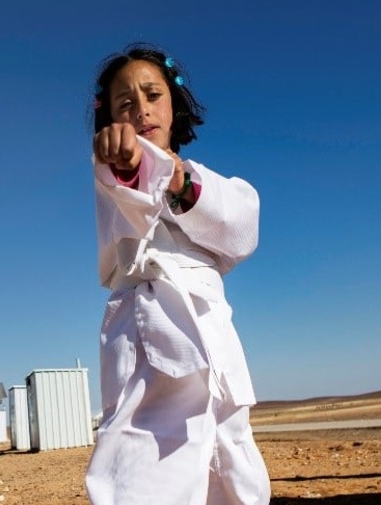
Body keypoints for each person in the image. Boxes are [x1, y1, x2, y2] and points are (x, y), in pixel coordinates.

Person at [85, 43, 271, 505]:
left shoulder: (213, 184)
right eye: (124, 103)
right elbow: (129, 188)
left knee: (231, 469)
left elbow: (241, 231)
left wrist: (178, 181)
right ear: (109, 119)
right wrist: (129, 165)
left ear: (174, 104)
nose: (141, 109)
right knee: (138, 473)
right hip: (145, 339)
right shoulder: (111, 174)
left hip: (213, 337)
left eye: (152, 95)